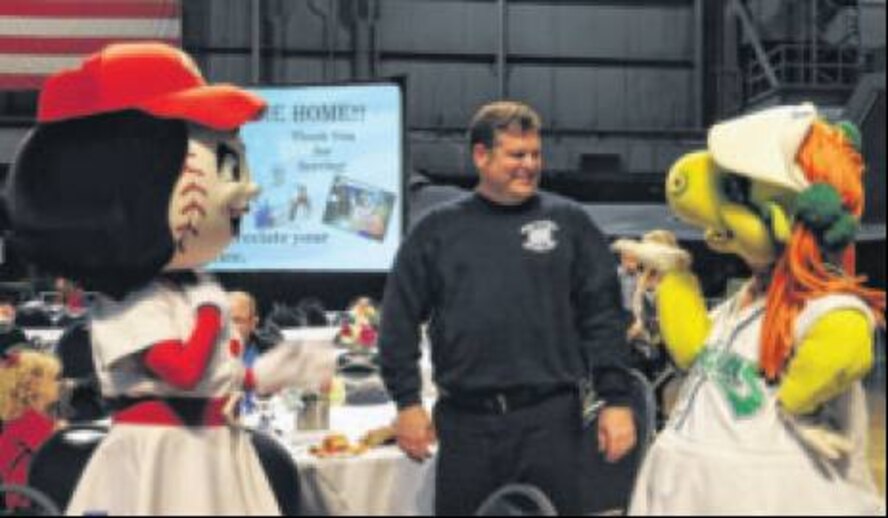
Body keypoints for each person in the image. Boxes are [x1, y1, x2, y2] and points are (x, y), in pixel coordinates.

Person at [7, 42, 318, 515]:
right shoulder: (129, 299)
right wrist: (214, 314)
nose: (246, 186)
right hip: (160, 456)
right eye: (224, 164)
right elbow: (182, 369)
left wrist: (268, 374)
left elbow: (215, 378)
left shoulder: (190, 285)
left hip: (216, 450)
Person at [379, 101, 637, 516]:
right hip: (465, 425)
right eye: (516, 154)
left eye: (535, 154)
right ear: (481, 156)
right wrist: (407, 402)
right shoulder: (436, 231)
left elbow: (603, 318)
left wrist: (617, 399)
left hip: (550, 421)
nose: (529, 165)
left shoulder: (571, 224)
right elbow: (398, 320)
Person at [629, 104, 885, 514]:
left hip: (775, 494)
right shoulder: (741, 304)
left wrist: (801, 398)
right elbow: (693, 350)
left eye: (733, 190)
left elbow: (845, 336)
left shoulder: (823, 307)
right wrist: (674, 275)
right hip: (692, 486)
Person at [0, 348, 63, 511]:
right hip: (32, 505)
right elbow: (61, 450)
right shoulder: (28, 421)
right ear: (34, 385)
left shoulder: (18, 419)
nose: (60, 384)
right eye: (54, 379)